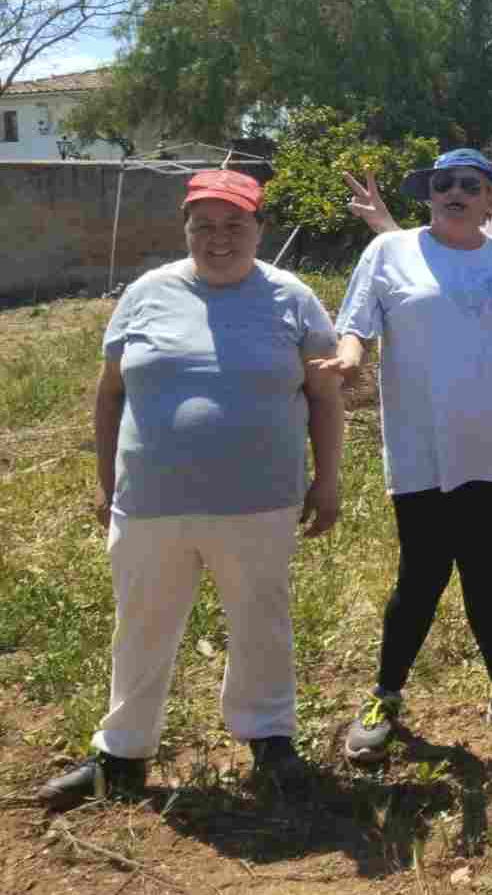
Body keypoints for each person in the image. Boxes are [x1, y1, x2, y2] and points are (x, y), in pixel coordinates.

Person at [39, 170, 343, 810]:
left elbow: (323, 396)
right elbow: (110, 393)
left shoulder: (292, 297)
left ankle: (269, 739)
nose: (219, 237)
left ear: (259, 228)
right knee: (142, 626)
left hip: (260, 500)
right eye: (204, 225)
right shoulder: (148, 293)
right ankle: (121, 754)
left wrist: (329, 479)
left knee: (262, 624)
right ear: (185, 230)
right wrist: (104, 483)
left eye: (235, 224)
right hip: (151, 501)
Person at [329, 148, 492, 762]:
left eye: (470, 185)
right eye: (442, 184)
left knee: (483, 563)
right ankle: (385, 693)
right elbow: (357, 323)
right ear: (429, 195)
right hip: (421, 441)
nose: (455, 192)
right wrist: (350, 359)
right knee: (423, 570)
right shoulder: (389, 251)